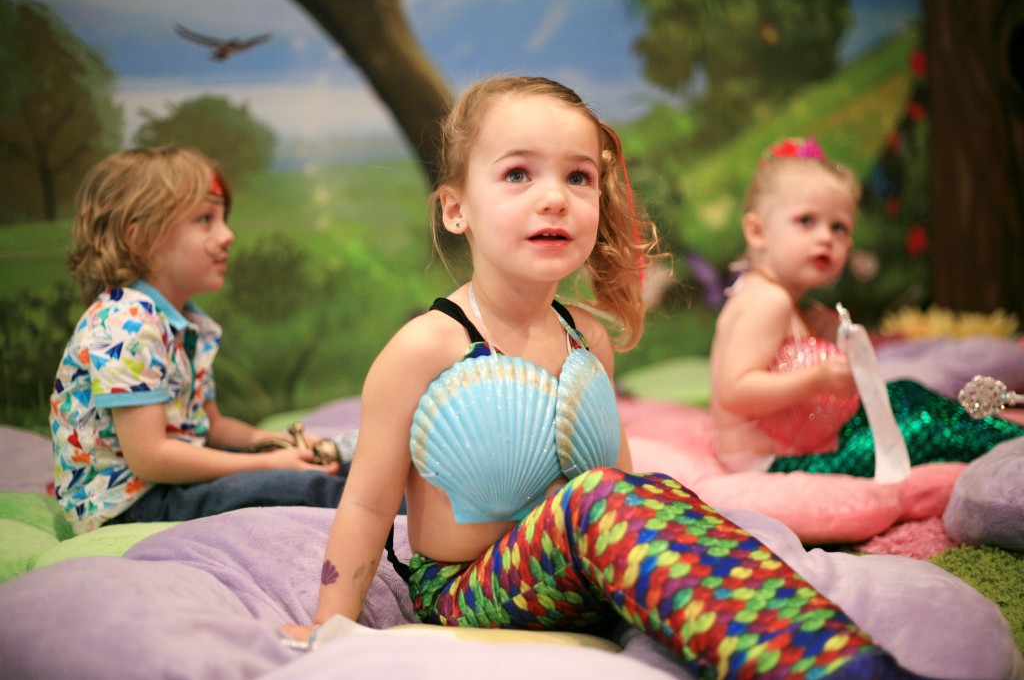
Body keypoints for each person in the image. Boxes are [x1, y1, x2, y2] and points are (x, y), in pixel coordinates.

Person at [283, 79, 935, 678]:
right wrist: (328, 624)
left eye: (579, 176)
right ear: (456, 209)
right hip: (471, 591)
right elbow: (368, 503)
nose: (554, 197)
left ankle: (844, 651)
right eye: (517, 173)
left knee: (651, 493)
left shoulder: (586, 336)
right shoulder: (425, 346)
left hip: (583, 579)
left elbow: (624, 489)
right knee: (600, 499)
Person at [49, 146, 347, 535]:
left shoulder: (184, 322)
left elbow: (212, 427)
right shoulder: (125, 323)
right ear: (140, 238)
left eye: (223, 218)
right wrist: (266, 465)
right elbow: (151, 458)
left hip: (174, 482)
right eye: (205, 219)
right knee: (303, 487)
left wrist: (272, 442)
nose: (228, 235)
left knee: (333, 464)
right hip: (132, 504)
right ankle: (421, 526)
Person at [709, 137, 1023, 475]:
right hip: (771, 460)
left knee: (904, 393)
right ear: (757, 232)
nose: (825, 237)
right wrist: (818, 379)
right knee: (921, 425)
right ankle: (1007, 442)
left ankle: (1003, 434)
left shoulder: (779, 297)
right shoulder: (768, 300)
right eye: (805, 221)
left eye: (838, 227)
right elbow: (735, 391)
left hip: (799, 443)